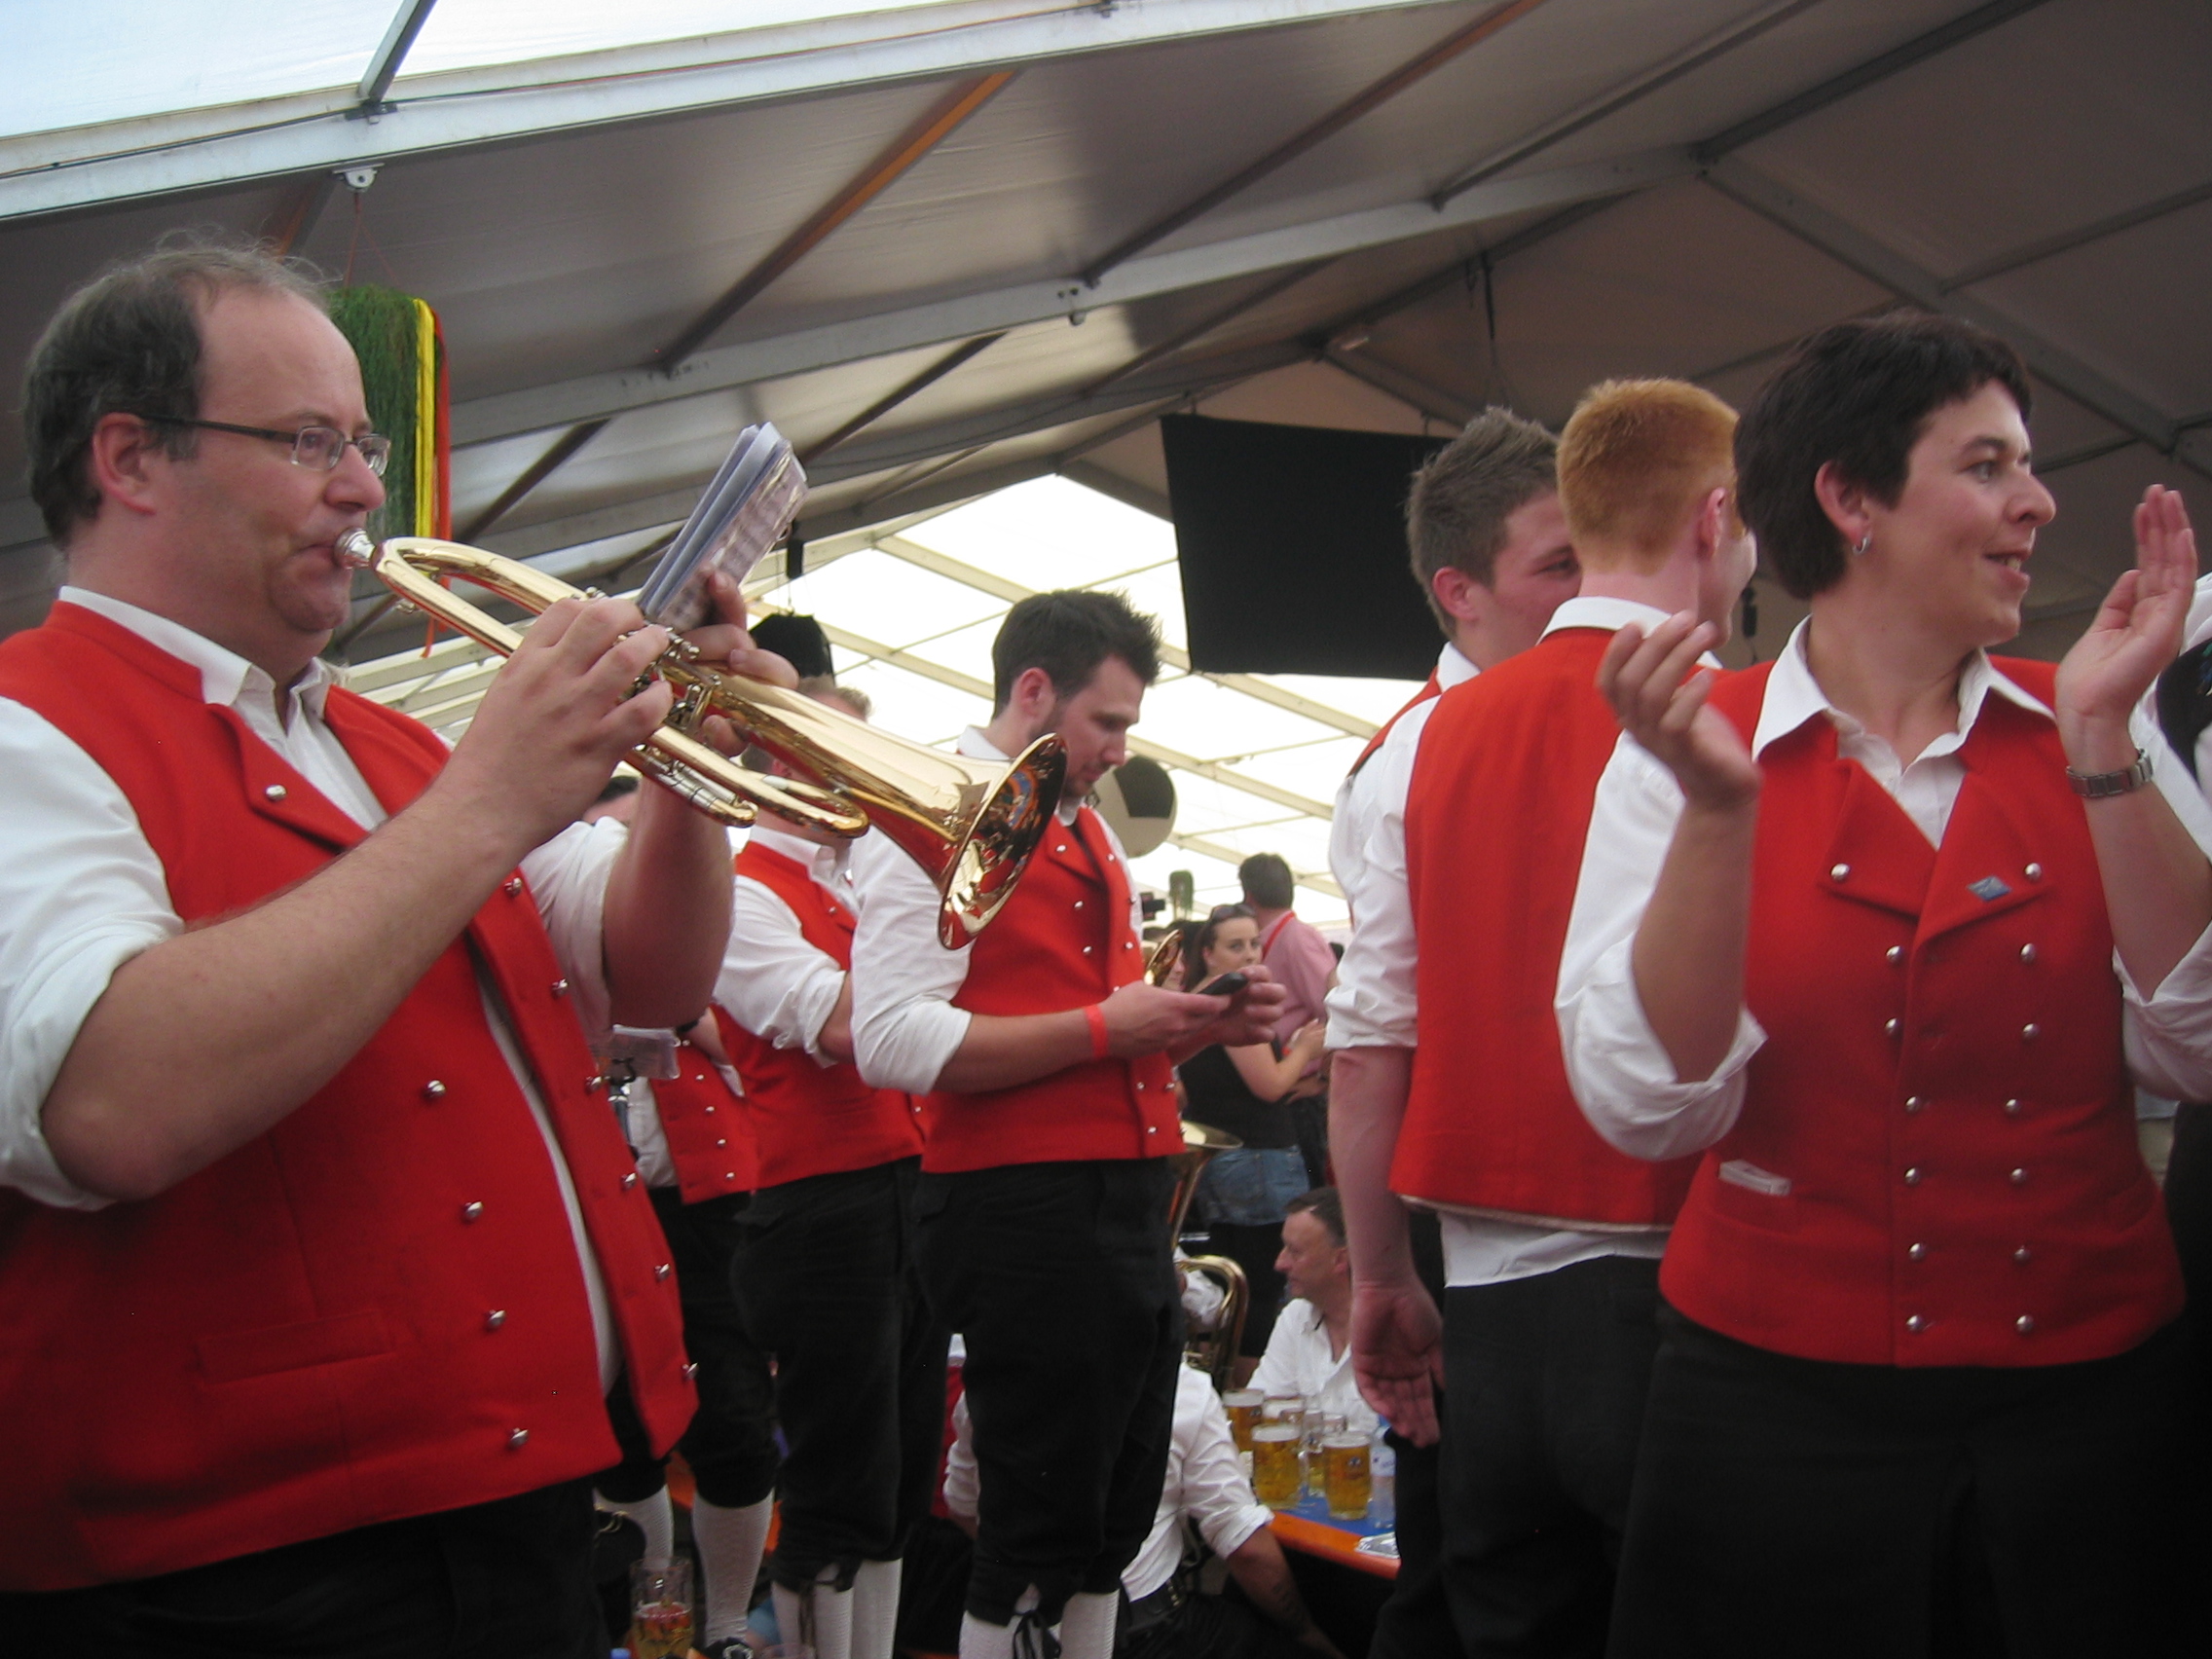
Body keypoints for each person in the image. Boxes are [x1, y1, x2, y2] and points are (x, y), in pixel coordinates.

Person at [0, 240, 786, 1652]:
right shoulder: (24, 725)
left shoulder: (390, 744)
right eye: (308, 441)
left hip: (511, 1519)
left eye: (361, 443)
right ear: (129, 458)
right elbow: (111, 1103)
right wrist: (486, 799)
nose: (366, 489)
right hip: (239, 1587)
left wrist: (687, 781)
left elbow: (649, 979)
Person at [1559, 312, 2212, 1655]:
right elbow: (1645, 1107)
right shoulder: (1686, 744)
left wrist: (2102, 742)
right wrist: (1720, 821)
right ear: (1849, 500)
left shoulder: (2099, 719)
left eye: (2026, 465)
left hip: (2089, 1415)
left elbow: (2199, 1052)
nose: (2037, 502)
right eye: (1985, 465)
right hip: (1768, 1418)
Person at [1334, 380, 1753, 1657]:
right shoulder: (1744, 717)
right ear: (1715, 520)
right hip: (1687, 1286)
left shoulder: (1417, 744)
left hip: (1490, 1308)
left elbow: (1366, 1049)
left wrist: (1381, 1276)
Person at [847, 589, 1287, 1659]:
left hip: (1104, 1204)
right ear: (1034, 691)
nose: (1120, 751)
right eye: (1109, 722)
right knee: (1037, 1534)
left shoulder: (1084, 824)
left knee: (1107, 1530)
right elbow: (889, 1039)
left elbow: (1093, 1046)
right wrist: (1107, 1028)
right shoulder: (936, 807)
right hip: (1025, 1208)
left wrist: (1190, 1028)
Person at [1325, 405, 1577, 1659]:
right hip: (1480, 1228)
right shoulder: (1414, 753)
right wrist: (1384, 1275)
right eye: (1561, 565)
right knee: (1470, 1576)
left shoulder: (1595, 708)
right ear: (1459, 594)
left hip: (1571, 1224)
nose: (1593, 591)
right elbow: (1373, 1039)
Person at [718, 679, 948, 1659]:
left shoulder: (850, 888)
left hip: (906, 1189)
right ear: (788, 761)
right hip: (824, 1208)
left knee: (899, 1477)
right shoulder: (741, 894)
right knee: (838, 1483)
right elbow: (853, 1026)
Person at [591, 1011, 780, 1659]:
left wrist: (680, 1008)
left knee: (736, 1420)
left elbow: (762, 1059)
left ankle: (726, 1628)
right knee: (621, 1429)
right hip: (599, 1206)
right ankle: (654, 1628)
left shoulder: (721, 958)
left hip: (710, 1210)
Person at [945, 1365, 1346, 1659]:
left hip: (1020, 1634)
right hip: (1144, 1635)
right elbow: (1246, 1548)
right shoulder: (1180, 1386)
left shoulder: (988, 1383)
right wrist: (1307, 1631)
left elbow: (963, 1508)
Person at [1178, 903, 1327, 1357]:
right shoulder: (1232, 1005)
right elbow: (1269, 1086)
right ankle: (1253, 1384)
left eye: (1254, 943)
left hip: (1229, 1161)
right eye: (1235, 945)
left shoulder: (1197, 1000)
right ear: (1208, 953)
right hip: (1259, 1160)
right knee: (1262, 1290)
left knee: (1240, 1285)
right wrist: (1304, 1050)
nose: (1248, 954)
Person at [1236, 853, 1335, 1187]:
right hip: (1283, 1086)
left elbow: (1334, 1010)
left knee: (1303, 1192)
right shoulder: (1275, 938)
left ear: (1248, 896)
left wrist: (1321, 1080)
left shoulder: (1297, 937)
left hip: (1299, 1094)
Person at [1247, 1190, 1375, 1437]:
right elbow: (1260, 1410)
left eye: (1294, 1251)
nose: (1280, 1263)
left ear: (1341, 1259)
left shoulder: (1392, 1327)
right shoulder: (1295, 1316)